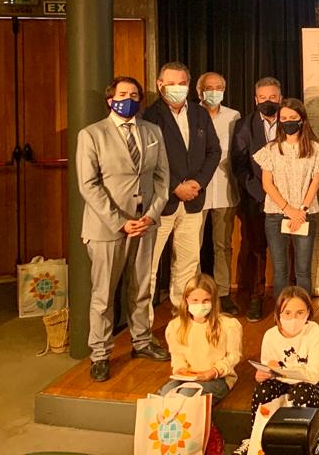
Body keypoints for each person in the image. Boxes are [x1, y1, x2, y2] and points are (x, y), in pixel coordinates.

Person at [75, 76, 171, 382]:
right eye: (122, 94)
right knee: (103, 294)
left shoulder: (152, 131)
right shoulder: (92, 135)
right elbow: (88, 185)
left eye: (134, 94)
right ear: (110, 100)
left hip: (144, 225)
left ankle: (141, 341)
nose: (128, 99)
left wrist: (151, 215)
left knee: (141, 287)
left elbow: (162, 178)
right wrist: (119, 221)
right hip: (107, 228)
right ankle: (100, 354)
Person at [143, 62, 221, 317]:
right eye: (171, 83)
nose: (177, 88)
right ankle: (144, 325)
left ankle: (183, 315)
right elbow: (150, 160)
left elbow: (214, 151)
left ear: (189, 85)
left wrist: (198, 183)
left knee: (188, 263)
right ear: (160, 85)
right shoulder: (150, 116)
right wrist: (176, 186)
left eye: (182, 83)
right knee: (149, 265)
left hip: (193, 201)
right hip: (161, 202)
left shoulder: (200, 114)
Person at [238, 287, 319, 455]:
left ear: (308, 312)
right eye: (288, 313)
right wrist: (262, 375)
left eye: (300, 313)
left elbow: (312, 374)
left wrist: (283, 370)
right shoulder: (270, 335)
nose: (293, 318)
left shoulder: (313, 331)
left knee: (302, 393)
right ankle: (255, 438)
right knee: (262, 391)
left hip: (309, 384)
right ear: (279, 314)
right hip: (280, 382)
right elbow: (267, 367)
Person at [253, 98, 319, 295]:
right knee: (280, 270)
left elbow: (315, 182)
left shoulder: (314, 149)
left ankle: (304, 308)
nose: (288, 122)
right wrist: (288, 210)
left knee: (303, 270)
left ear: (301, 119)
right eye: (284, 118)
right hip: (276, 214)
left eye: (292, 118)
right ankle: (282, 309)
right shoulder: (271, 149)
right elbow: (267, 184)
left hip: (305, 214)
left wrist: (300, 211)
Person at [231, 76, 282, 322]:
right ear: (255, 99)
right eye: (263, 98)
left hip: (289, 200)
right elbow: (239, 165)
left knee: (287, 250)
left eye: (272, 97)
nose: (267, 101)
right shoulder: (244, 126)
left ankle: (288, 299)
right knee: (256, 248)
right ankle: (256, 297)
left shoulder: (292, 120)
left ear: (280, 98)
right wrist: (261, 193)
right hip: (256, 198)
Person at [158, 273, 243, 403]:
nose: (200, 305)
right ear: (187, 300)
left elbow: (234, 355)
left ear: (213, 300)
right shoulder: (176, 326)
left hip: (217, 378)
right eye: (195, 300)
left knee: (187, 395)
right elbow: (177, 355)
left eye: (206, 300)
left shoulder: (227, 326)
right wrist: (180, 368)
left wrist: (215, 371)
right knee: (165, 394)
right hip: (189, 377)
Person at [197, 71, 241, 315]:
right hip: (196, 190)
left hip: (225, 188)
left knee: (222, 245)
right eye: (209, 88)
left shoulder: (233, 116)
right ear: (199, 91)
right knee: (191, 245)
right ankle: (194, 294)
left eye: (218, 88)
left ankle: (223, 293)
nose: (213, 92)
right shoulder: (191, 114)